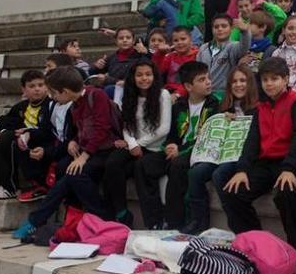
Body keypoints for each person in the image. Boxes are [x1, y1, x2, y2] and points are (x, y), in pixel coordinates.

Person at [219, 57, 296, 274]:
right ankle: (257, 244)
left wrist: (289, 168)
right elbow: (252, 141)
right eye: (265, 80)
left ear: (286, 79)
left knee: (286, 194)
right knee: (232, 193)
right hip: (265, 163)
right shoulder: (260, 107)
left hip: (290, 163)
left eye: (274, 79)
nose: (269, 84)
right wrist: (242, 169)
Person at [12, 66, 117, 239]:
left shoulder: (96, 95)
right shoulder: (75, 104)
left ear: (65, 91)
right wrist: (74, 140)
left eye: (54, 93)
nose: (52, 97)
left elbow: (102, 129)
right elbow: (80, 130)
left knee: (74, 174)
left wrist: (84, 157)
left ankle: (104, 216)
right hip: (89, 150)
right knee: (70, 173)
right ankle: (39, 221)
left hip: (106, 151)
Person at [144, 61, 222, 230]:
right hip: (177, 150)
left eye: (208, 78)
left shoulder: (214, 105)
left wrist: (180, 150)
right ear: (188, 86)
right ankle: (153, 219)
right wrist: (171, 145)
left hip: (198, 150)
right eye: (202, 79)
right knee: (143, 165)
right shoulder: (179, 106)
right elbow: (172, 133)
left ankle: (175, 222)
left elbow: (207, 136)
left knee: (177, 166)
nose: (208, 82)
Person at [182, 64, 259, 235]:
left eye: (243, 80)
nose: (238, 85)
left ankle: (236, 225)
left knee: (220, 174)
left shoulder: (258, 107)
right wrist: (224, 118)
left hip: (242, 157)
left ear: (251, 83)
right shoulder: (225, 105)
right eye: (234, 82)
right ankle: (198, 223)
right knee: (196, 173)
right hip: (220, 154)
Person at [104, 61, 172, 227]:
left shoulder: (162, 94)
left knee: (139, 168)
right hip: (134, 145)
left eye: (148, 74)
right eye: (139, 75)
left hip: (155, 148)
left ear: (154, 76)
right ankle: (120, 213)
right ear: (133, 78)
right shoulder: (129, 95)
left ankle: (153, 222)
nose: (144, 78)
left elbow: (163, 129)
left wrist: (138, 144)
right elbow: (126, 125)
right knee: (112, 163)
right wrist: (132, 144)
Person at [0, 70, 51, 201]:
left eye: (41, 85)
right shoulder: (22, 106)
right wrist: (0, 130)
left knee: (8, 139)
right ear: (24, 89)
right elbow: (4, 120)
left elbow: (49, 132)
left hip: (40, 144)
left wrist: (29, 132)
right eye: (32, 86)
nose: (37, 89)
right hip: (21, 143)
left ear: (46, 86)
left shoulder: (51, 105)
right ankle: (0, 183)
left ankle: (10, 188)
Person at [197, 14, 251, 100]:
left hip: (224, 95)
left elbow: (244, 47)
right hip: (204, 95)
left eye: (224, 26)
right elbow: (197, 71)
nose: (220, 29)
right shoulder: (203, 48)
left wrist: (244, 32)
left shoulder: (233, 46)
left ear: (231, 28)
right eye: (216, 27)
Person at [89, 27, 149, 98]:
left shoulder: (140, 56)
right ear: (116, 41)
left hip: (132, 90)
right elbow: (92, 73)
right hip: (112, 89)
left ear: (133, 41)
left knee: (109, 90)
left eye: (128, 38)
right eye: (121, 38)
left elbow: (135, 80)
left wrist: (108, 80)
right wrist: (96, 66)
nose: (124, 40)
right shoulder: (112, 57)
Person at [160, 26, 199, 99]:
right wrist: (160, 54)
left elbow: (192, 80)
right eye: (176, 40)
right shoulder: (170, 56)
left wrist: (177, 94)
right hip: (168, 90)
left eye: (183, 39)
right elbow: (158, 69)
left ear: (191, 40)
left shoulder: (197, 56)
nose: (179, 42)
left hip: (188, 93)